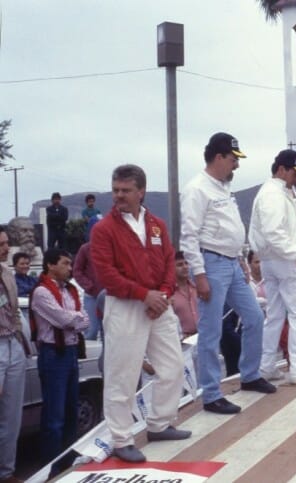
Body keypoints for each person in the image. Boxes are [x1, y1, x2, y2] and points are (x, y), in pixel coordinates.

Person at [91, 164, 191, 463]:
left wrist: (163, 292)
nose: (119, 195)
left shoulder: (157, 225)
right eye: (115, 190)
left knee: (173, 365)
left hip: (158, 303)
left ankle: (160, 423)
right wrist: (143, 295)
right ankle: (121, 439)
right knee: (122, 375)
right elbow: (106, 274)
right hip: (125, 306)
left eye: (126, 190)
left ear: (141, 192)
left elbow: (169, 259)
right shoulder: (103, 229)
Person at [180, 132, 275, 415]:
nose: (237, 165)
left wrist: (241, 260)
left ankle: (250, 375)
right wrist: (199, 275)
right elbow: (189, 236)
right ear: (219, 157)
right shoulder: (197, 189)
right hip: (211, 263)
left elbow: (229, 230)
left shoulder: (222, 188)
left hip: (232, 262)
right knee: (211, 331)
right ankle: (211, 394)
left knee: (255, 317)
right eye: (234, 159)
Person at [251, 149, 296, 385]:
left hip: (272, 260)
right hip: (284, 259)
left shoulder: (281, 192)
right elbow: (273, 232)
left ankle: (267, 366)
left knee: (275, 315)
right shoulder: (273, 195)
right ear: (281, 169)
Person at [29, 248, 89, 476]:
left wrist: (74, 319)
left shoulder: (70, 290)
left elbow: (85, 320)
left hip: (70, 352)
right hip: (53, 354)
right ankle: (50, 468)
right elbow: (63, 320)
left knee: (71, 410)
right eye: (65, 263)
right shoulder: (42, 292)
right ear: (50, 265)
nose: (70, 268)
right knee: (54, 416)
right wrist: (75, 319)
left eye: (70, 264)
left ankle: (67, 461)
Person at [0, 226, 29, 483]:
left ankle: (6, 472)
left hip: (12, 344)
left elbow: (14, 311)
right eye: (1, 245)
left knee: (12, 416)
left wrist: (18, 336)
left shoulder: (7, 274)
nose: (6, 248)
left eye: (6, 243)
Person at [73, 238, 103, 341]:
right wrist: (89, 285)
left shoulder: (113, 247)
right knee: (91, 331)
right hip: (92, 296)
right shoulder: (85, 248)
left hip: (110, 295)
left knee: (109, 330)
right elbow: (77, 271)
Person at [171, 251, 198, 339]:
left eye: (187, 263)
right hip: (181, 341)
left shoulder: (198, 288)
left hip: (203, 337)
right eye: (180, 265)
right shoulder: (170, 293)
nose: (185, 267)